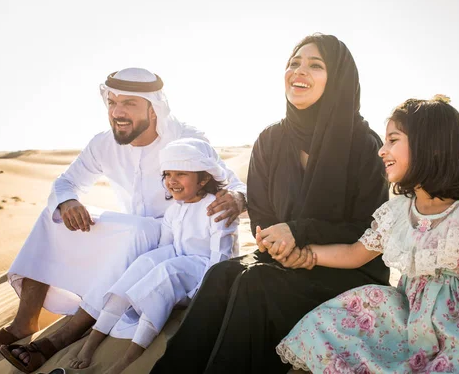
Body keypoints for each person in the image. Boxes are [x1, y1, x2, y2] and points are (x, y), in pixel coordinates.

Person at [0, 68, 246, 371]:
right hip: (131, 231)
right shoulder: (102, 144)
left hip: (172, 237)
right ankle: (22, 323)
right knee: (53, 215)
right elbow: (65, 183)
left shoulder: (185, 139)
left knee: (137, 232)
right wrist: (68, 201)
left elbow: (231, 183)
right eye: (112, 103)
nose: (118, 113)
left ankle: (60, 339)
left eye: (129, 104)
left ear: (154, 108)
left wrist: (238, 199)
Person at [150, 34, 390, 374]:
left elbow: (369, 228)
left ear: (337, 78)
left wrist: (299, 233)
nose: (299, 71)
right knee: (222, 274)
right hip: (282, 259)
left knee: (256, 283)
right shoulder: (271, 140)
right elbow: (261, 212)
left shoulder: (364, 145)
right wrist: (279, 243)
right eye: (294, 63)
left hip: (345, 269)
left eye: (315, 65)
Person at [276, 97, 459, 373]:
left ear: (430, 147)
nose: (381, 151)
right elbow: (354, 253)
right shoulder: (397, 212)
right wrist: (307, 255)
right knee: (332, 322)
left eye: (393, 140)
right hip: (410, 324)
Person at [67, 138, 240, 374]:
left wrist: (201, 295)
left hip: (205, 276)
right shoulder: (174, 210)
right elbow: (164, 248)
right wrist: (149, 269)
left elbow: (221, 260)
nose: (172, 181)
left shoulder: (215, 208)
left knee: (165, 272)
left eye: (181, 174)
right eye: (168, 174)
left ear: (204, 177)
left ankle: (128, 358)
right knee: (145, 263)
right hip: (177, 264)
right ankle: (92, 342)